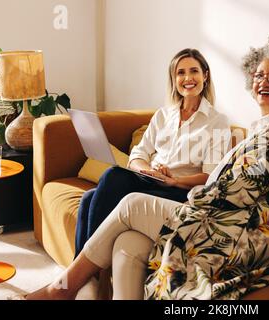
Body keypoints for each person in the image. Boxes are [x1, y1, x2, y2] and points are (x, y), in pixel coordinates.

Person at [25, 35, 269, 300]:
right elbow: (236, 182)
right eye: (259, 75)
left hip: (222, 222)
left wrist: (184, 187)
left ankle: (64, 288)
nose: (263, 82)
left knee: (126, 198)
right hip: (194, 201)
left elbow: (235, 190)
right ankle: (87, 285)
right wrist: (145, 168)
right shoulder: (265, 127)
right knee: (123, 233)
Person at [73, 48, 231, 257]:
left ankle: (82, 270)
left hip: (179, 191)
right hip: (151, 180)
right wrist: (150, 171)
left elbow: (211, 176)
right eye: (180, 73)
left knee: (111, 177)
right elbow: (138, 156)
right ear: (174, 79)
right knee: (88, 198)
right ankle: (87, 276)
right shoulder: (164, 115)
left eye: (194, 71)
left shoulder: (217, 121)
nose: (187, 78)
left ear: (205, 75)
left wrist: (173, 180)